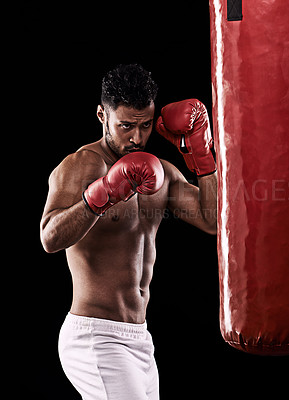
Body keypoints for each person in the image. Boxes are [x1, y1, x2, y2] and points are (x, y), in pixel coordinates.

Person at [40, 63, 217, 400]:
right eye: (126, 126)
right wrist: (101, 194)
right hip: (96, 335)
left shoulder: (160, 172)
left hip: (139, 336)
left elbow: (211, 220)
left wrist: (201, 157)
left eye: (146, 125)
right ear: (101, 116)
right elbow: (49, 237)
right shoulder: (82, 165)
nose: (137, 138)